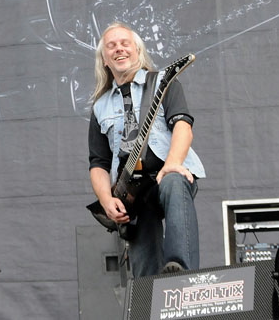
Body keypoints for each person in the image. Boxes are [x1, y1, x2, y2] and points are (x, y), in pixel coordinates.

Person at [88, 22, 205, 277]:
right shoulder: (100, 108)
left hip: (166, 175)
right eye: (111, 46)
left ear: (137, 51)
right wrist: (107, 200)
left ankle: (180, 271)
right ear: (105, 60)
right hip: (131, 193)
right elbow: (98, 163)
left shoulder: (164, 82)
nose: (119, 49)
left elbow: (183, 126)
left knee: (174, 181)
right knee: (145, 276)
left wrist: (173, 162)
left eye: (125, 43)